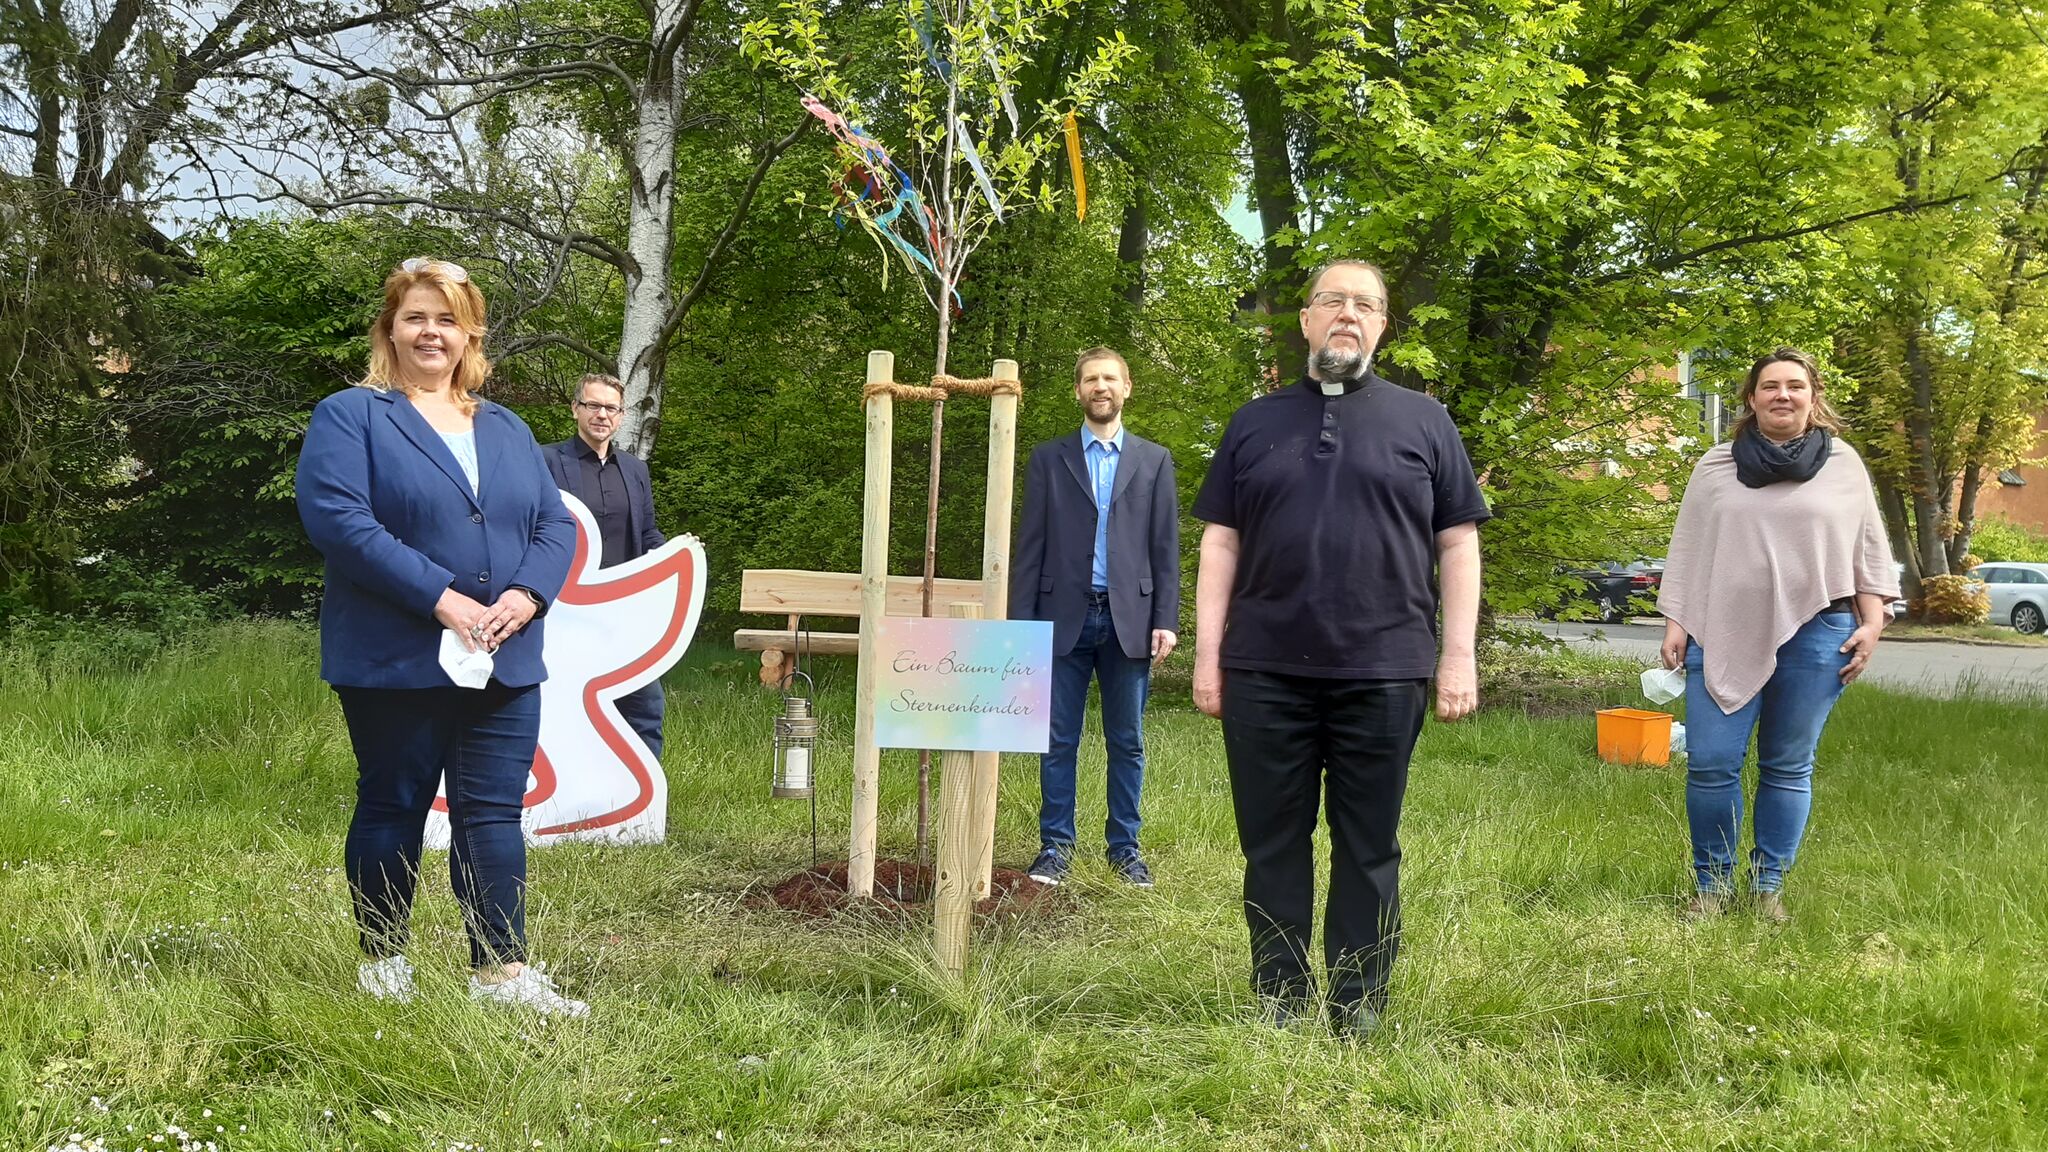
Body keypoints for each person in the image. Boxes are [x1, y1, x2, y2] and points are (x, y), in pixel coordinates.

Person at [1191, 259, 1489, 1039]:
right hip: (1262, 670)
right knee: (1272, 842)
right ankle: (1281, 999)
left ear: (1383, 326)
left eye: (1365, 305)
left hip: (1384, 670)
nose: (1347, 315)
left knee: (1368, 845)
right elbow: (1220, 544)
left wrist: (1456, 656)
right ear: (1306, 321)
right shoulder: (1254, 422)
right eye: (1332, 301)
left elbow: (1458, 543)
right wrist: (1207, 657)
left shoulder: (1426, 422)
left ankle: (1358, 1003)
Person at [297, 257, 587, 1016]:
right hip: (395, 653)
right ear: (389, 328)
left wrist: (527, 596)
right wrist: (443, 600)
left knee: (493, 813)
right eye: (417, 316)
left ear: (470, 335)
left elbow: (553, 523)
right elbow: (340, 521)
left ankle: (501, 976)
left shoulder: (507, 425)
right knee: (392, 805)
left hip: (506, 655)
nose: (433, 332)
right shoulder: (351, 415)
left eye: (448, 319)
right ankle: (383, 969)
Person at [1656, 347, 1898, 924]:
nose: (1782, 395)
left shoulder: (1844, 464)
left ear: (1813, 397)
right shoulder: (1715, 466)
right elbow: (1688, 550)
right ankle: (1711, 886)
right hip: (1721, 630)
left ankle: (1768, 888)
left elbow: (1867, 548)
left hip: (1820, 634)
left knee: (1789, 765)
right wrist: (1676, 622)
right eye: (1770, 386)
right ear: (1751, 398)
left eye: (1794, 385)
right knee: (1711, 762)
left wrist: (1871, 622)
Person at [1010, 346, 1181, 888]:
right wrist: (1021, 625)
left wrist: (1166, 618)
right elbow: (1029, 546)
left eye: (1110, 378)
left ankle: (1125, 849)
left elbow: (1165, 546)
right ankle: (1055, 847)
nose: (1100, 386)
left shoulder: (1154, 460)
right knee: (1058, 738)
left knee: (1126, 739)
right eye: (1090, 379)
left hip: (1129, 619)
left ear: (1127, 387)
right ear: (1078, 391)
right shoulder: (1049, 458)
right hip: (1062, 617)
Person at [543, 372, 669, 757]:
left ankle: (644, 807)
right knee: (562, 708)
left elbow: (647, 532)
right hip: (564, 609)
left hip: (622, 610)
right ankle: (566, 804)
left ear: (621, 415)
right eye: (593, 405)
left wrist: (673, 560)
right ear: (575, 409)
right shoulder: (546, 461)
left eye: (610, 408)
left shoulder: (635, 470)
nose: (602, 415)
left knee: (645, 707)